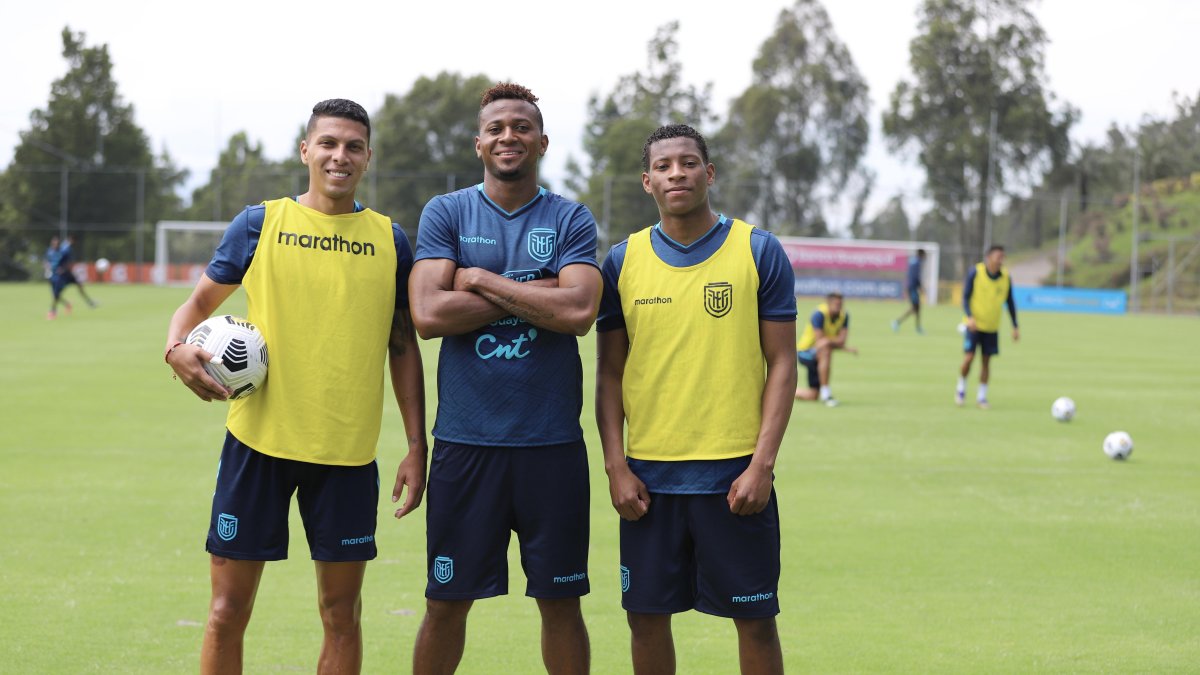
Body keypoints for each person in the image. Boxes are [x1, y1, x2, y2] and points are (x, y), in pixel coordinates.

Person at [163, 99, 428, 674]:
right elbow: (195, 307)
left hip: (347, 456)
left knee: (341, 614)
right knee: (227, 610)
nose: (340, 156)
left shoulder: (391, 240)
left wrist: (415, 443)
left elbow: (402, 346)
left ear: (367, 158)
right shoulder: (260, 224)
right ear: (306, 150)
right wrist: (176, 350)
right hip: (257, 446)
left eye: (353, 146)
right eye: (328, 143)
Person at [407, 82, 600, 675]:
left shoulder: (569, 216)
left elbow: (578, 313)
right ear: (478, 143)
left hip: (551, 447)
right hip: (467, 445)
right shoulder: (447, 212)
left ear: (541, 141)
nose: (508, 136)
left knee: (561, 604)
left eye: (520, 127)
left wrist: (481, 280)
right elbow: (428, 315)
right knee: (445, 603)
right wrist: (538, 290)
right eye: (496, 128)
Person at [596, 124, 797, 675]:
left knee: (756, 622)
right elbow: (609, 374)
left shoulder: (758, 251)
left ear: (709, 173)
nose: (676, 173)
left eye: (688, 163)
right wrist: (616, 466)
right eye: (664, 166)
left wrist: (762, 464)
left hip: (734, 475)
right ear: (647, 181)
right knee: (646, 620)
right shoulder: (621, 262)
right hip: (649, 479)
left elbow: (782, 363)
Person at [957, 245, 1019, 408]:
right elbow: (965, 297)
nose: (1001, 260)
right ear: (989, 257)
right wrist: (969, 317)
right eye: (998, 256)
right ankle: (961, 389)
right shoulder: (976, 273)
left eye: (1003, 257)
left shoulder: (1005, 277)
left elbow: (1010, 302)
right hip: (974, 326)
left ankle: (981, 397)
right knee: (969, 358)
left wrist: (1015, 326)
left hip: (992, 327)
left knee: (986, 362)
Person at [794, 292, 857, 407]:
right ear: (828, 303)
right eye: (836, 304)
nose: (839, 307)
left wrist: (832, 342)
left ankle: (789, 392)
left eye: (840, 304)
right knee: (826, 350)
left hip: (819, 354)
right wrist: (841, 346)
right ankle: (827, 394)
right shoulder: (819, 314)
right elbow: (820, 341)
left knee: (812, 396)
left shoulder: (844, 316)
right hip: (805, 352)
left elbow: (841, 340)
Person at [57, 234, 98, 309]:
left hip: (66, 273)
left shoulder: (64, 246)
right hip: (64, 273)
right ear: (72, 240)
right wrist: (62, 269)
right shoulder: (66, 248)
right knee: (58, 292)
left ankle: (89, 302)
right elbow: (62, 261)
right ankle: (60, 307)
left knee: (79, 285)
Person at [892, 248, 926, 334]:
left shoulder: (912, 261)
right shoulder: (917, 263)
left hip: (910, 287)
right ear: (921, 255)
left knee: (916, 308)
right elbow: (916, 277)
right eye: (924, 255)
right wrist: (920, 287)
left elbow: (909, 275)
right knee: (915, 308)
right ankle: (897, 322)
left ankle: (917, 327)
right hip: (913, 288)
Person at [44, 235, 71, 319]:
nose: (55, 244)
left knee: (56, 294)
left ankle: (53, 312)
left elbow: (67, 263)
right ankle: (67, 304)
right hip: (51, 276)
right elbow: (46, 260)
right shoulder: (49, 251)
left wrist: (62, 270)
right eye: (53, 243)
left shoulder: (62, 252)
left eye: (56, 243)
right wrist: (47, 268)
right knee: (55, 295)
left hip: (60, 276)